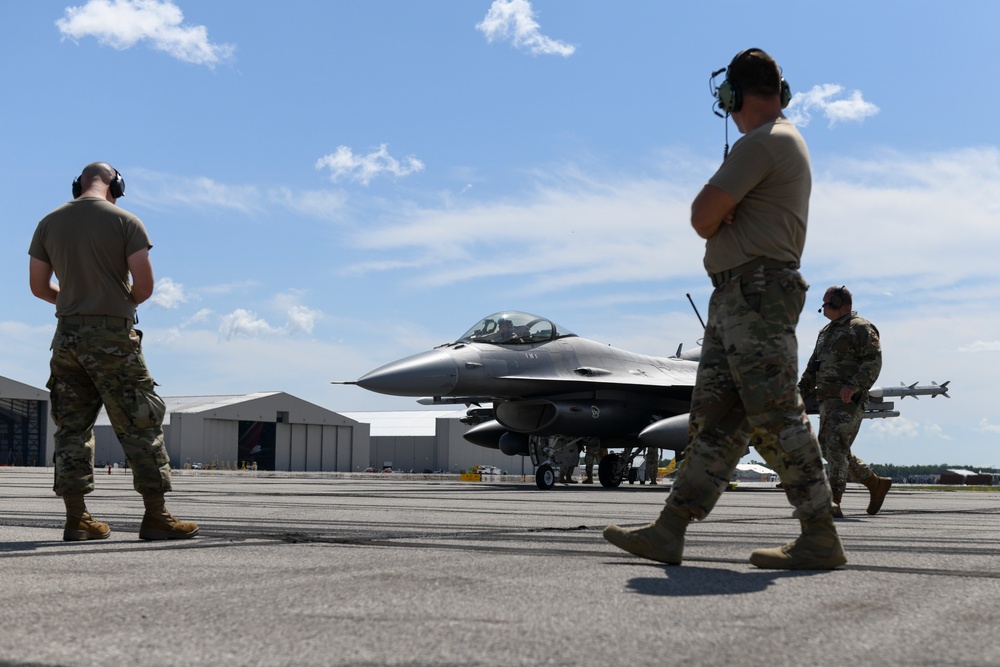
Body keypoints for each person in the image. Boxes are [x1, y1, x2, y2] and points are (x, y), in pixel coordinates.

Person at [604, 49, 845, 570]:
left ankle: (820, 533)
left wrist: (722, 211)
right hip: (737, 293)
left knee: (776, 413)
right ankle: (669, 530)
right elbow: (714, 219)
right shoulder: (773, 142)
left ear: (731, 96)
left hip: (755, 291)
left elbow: (701, 215)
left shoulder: (766, 142)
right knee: (716, 422)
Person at [28, 162, 199, 542]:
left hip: (67, 338)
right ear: (115, 185)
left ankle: (77, 519)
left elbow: (39, 287)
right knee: (140, 422)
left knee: (71, 427)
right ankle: (156, 516)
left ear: (79, 185)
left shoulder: (48, 223)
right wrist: (116, 304)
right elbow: (145, 284)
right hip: (113, 338)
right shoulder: (127, 222)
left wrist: (76, 302)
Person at [799, 285, 892, 517]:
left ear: (841, 304)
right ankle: (875, 483)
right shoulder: (826, 332)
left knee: (836, 447)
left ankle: (833, 502)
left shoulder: (861, 328)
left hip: (848, 400)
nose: (824, 309)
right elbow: (813, 366)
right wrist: (800, 391)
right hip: (827, 400)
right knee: (829, 447)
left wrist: (854, 385)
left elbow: (873, 361)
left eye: (827, 304)